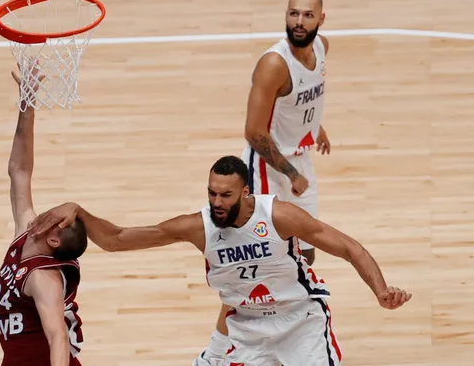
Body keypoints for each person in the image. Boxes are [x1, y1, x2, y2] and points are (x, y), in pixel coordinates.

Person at [30, 155, 412, 366]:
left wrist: (380, 290)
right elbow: (116, 240)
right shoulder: (198, 227)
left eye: (225, 196)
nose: (216, 203)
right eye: (212, 193)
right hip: (243, 327)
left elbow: (349, 247)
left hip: (300, 322)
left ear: (247, 193)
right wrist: (80, 211)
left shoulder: (279, 216)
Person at [195, 0, 334, 365]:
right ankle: (220, 350)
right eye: (293, 14)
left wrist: (314, 126)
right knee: (244, 269)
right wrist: (289, 172)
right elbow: (255, 132)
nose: (298, 22)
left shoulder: (322, 49)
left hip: (299, 163)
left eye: (307, 15)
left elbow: (308, 96)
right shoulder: (273, 64)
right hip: (269, 169)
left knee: (302, 259)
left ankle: (283, 335)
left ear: (321, 19)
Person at [0, 67, 89, 366]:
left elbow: (58, 336)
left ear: (53, 236)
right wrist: (28, 100)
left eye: (54, 216)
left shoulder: (43, 278)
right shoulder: (26, 231)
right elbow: (19, 171)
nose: (49, 211)